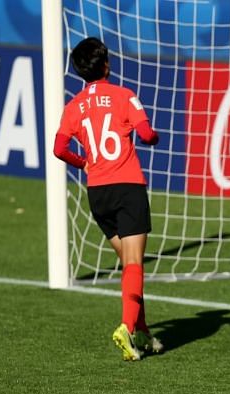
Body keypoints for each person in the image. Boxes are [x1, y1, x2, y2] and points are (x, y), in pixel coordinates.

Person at [53, 37, 163, 361]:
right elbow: (145, 134)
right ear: (106, 65)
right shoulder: (125, 96)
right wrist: (154, 137)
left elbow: (59, 149)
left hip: (98, 193)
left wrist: (83, 162)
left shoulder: (73, 107)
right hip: (127, 187)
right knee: (134, 264)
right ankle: (127, 328)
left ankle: (141, 329)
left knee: (129, 266)